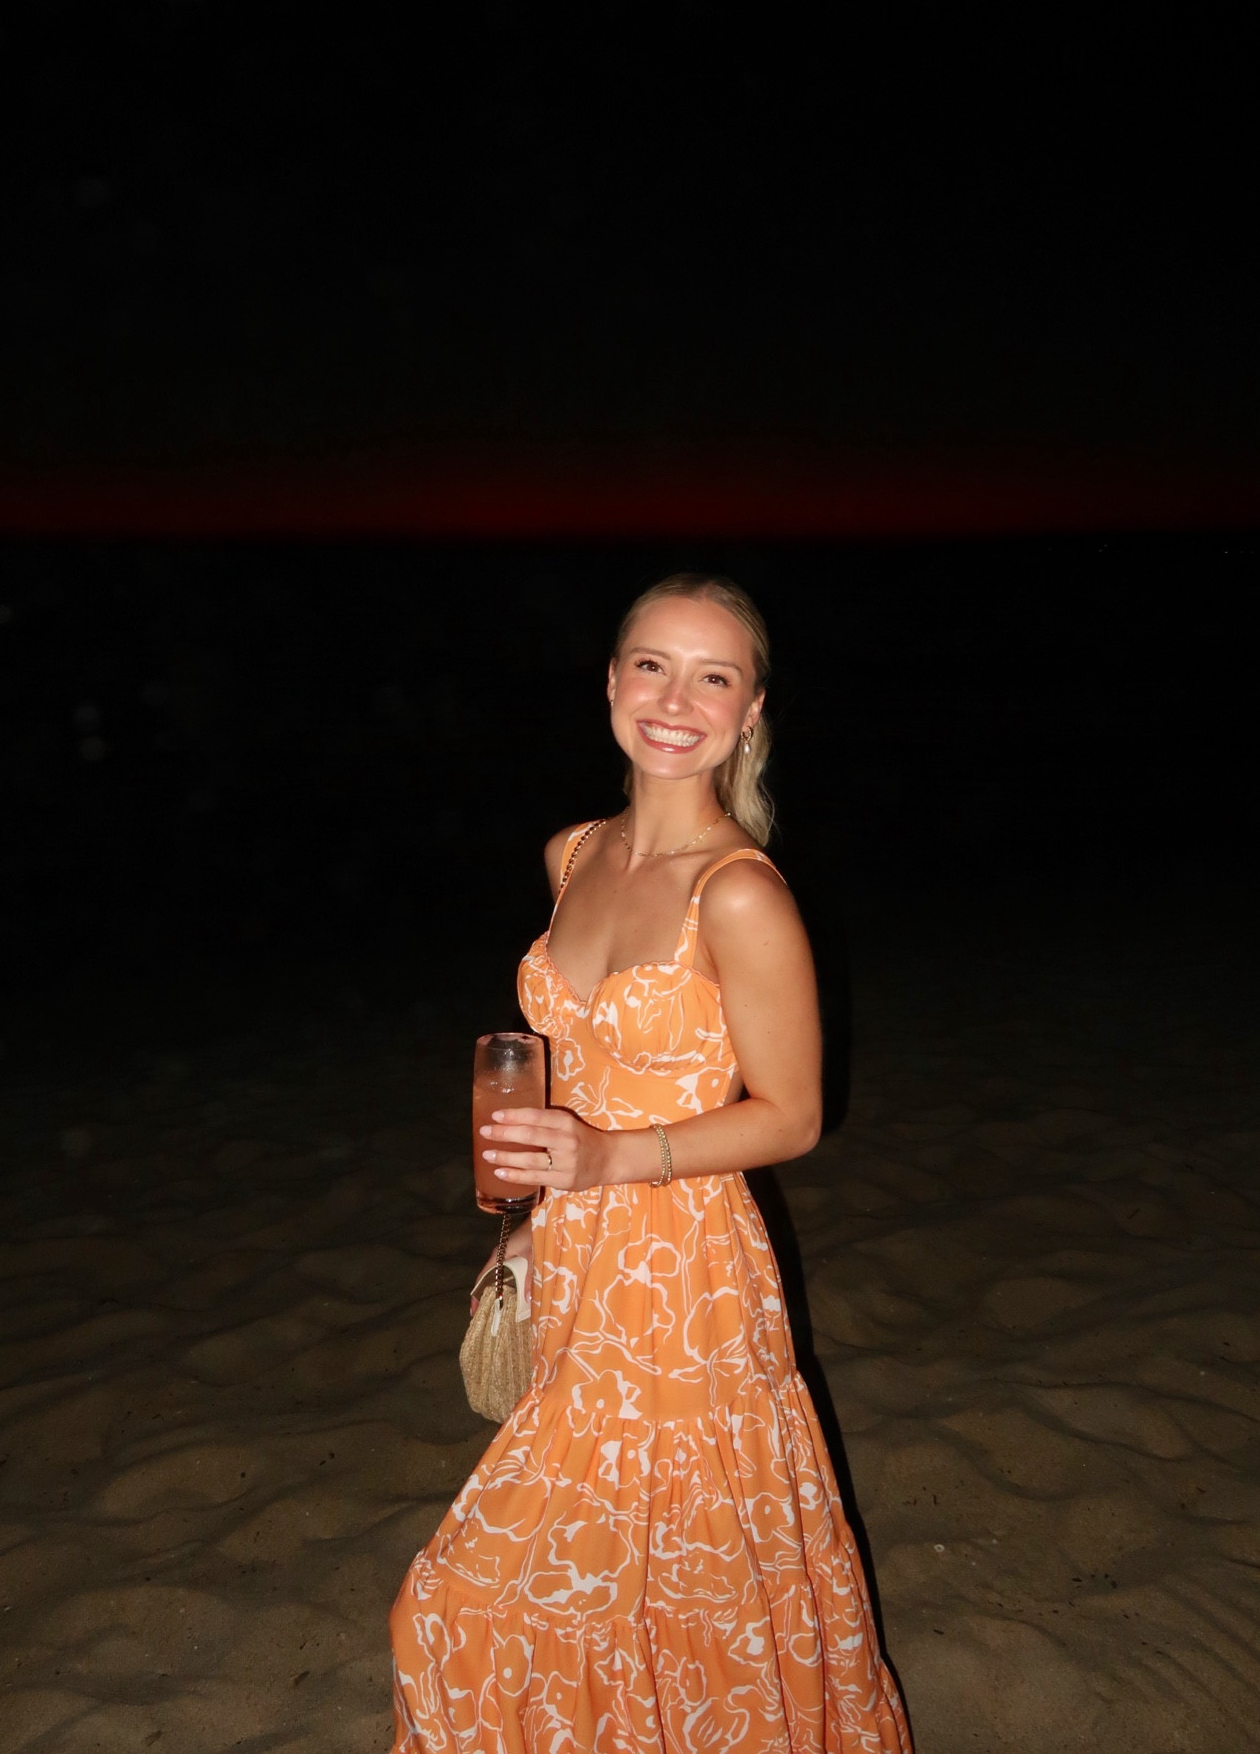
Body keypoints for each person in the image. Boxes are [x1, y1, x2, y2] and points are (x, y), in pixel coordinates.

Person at [390, 573, 912, 1753]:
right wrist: (529, 1213)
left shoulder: (739, 895)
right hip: (579, 1256)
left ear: (750, 708)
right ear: (611, 680)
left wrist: (613, 1152)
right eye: (652, 664)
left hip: (686, 1282)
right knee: (625, 1584)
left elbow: (791, 1115)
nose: (677, 699)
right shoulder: (573, 851)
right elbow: (570, 1069)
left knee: (460, 1598)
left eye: (712, 675)